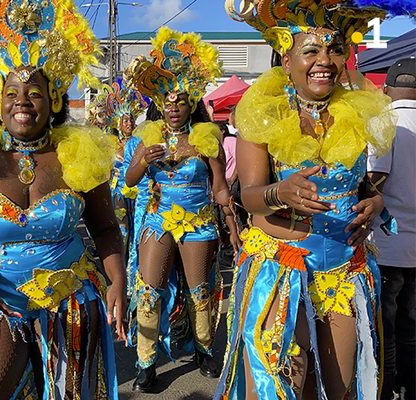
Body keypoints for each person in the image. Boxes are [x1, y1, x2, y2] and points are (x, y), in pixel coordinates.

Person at [0, 0, 126, 398]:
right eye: (11, 92)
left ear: (55, 101)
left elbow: (104, 227)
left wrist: (117, 279)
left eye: (34, 92)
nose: (22, 101)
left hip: (71, 302)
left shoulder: (78, 156)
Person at [215, 0, 403, 399]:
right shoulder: (262, 115)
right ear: (286, 59)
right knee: (279, 388)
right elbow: (248, 196)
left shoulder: (354, 112)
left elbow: (356, 185)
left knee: (340, 388)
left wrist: (376, 203)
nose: (326, 61)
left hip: (344, 269)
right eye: (311, 50)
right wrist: (278, 192)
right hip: (281, 269)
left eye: (335, 49)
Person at [125, 27, 241, 391]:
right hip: (158, 221)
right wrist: (143, 160)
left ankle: (205, 350)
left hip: (198, 223)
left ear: (192, 104)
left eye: (180, 100)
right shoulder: (146, 139)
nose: (173, 107)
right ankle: (146, 363)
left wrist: (234, 229)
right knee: (150, 288)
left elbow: (221, 189)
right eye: (167, 101)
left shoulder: (208, 139)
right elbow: (129, 182)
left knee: (199, 290)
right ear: (159, 104)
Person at [367, 57, 416, 400]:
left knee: (385, 328)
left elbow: (375, 181)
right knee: (411, 327)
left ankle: (385, 390)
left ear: (385, 90)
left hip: (389, 245)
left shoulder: (384, 121)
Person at [96, 80, 148, 257]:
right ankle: (121, 262)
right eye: (125, 120)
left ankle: (135, 263)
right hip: (117, 191)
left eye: (131, 120)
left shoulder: (139, 143)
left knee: (138, 227)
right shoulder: (110, 144)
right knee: (122, 228)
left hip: (138, 190)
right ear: (118, 124)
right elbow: (106, 171)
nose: (129, 123)